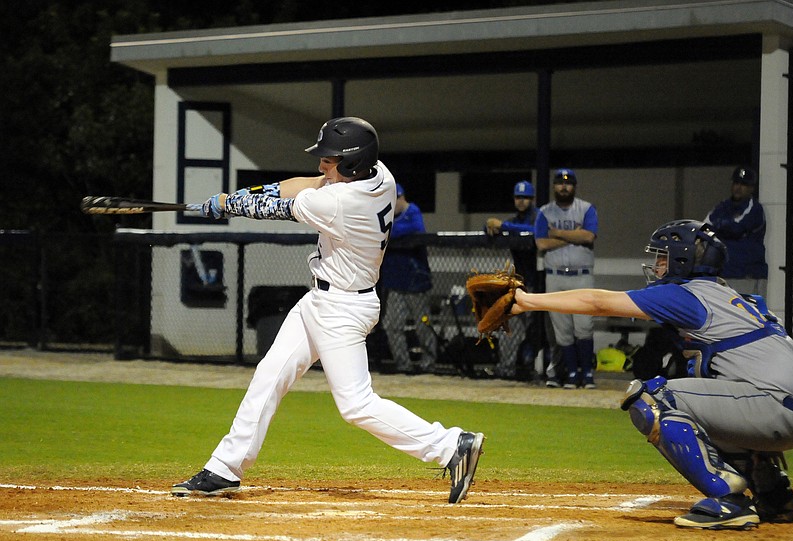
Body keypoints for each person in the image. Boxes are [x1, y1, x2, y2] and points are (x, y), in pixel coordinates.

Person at [174, 117, 485, 504]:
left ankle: (451, 444)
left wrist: (230, 204)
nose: (322, 165)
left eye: (330, 159)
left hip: (342, 308)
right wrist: (235, 196)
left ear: (352, 163)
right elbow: (304, 184)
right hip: (324, 300)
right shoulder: (380, 178)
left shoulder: (340, 202)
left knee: (356, 405)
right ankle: (224, 467)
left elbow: (281, 206)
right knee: (270, 376)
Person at [510, 219, 793, 530]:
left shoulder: (687, 294)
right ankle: (774, 495)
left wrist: (526, 301)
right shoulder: (728, 296)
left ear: (683, 260)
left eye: (664, 257)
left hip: (774, 406)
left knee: (652, 398)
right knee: (704, 403)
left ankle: (728, 500)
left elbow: (597, 302)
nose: (658, 264)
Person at [534, 168, 599, 389]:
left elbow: (589, 235)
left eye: (568, 183)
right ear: (554, 186)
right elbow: (542, 243)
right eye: (560, 183)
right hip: (555, 277)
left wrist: (557, 233)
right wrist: (574, 236)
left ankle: (587, 374)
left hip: (582, 276)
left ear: (574, 186)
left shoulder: (586, 208)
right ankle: (572, 375)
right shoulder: (544, 211)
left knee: (584, 327)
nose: (564, 187)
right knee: (562, 330)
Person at [485, 180, 540, 380]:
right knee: (511, 326)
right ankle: (506, 368)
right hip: (520, 284)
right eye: (518, 197)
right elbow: (496, 228)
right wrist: (490, 226)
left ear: (532, 199)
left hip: (541, 283)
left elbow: (534, 231)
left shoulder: (538, 216)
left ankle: (536, 369)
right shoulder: (514, 220)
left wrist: (504, 225)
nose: (522, 201)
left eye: (525, 197)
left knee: (539, 330)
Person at [379, 183, 436, 374]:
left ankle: (428, 365)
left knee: (423, 326)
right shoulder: (386, 216)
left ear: (400, 197)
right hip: (395, 282)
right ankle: (403, 365)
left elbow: (415, 228)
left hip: (416, 282)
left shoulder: (413, 211)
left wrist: (388, 232)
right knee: (392, 325)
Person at [704, 165, 768, 295]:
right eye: (736, 183)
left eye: (744, 184)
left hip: (748, 275)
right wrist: (727, 224)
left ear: (751, 188)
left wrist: (721, 225)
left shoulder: (755, 209)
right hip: (724, 273)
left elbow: (737, 228)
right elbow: (706, 227)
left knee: (748, 314)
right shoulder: (722, 206)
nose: (738, 187)